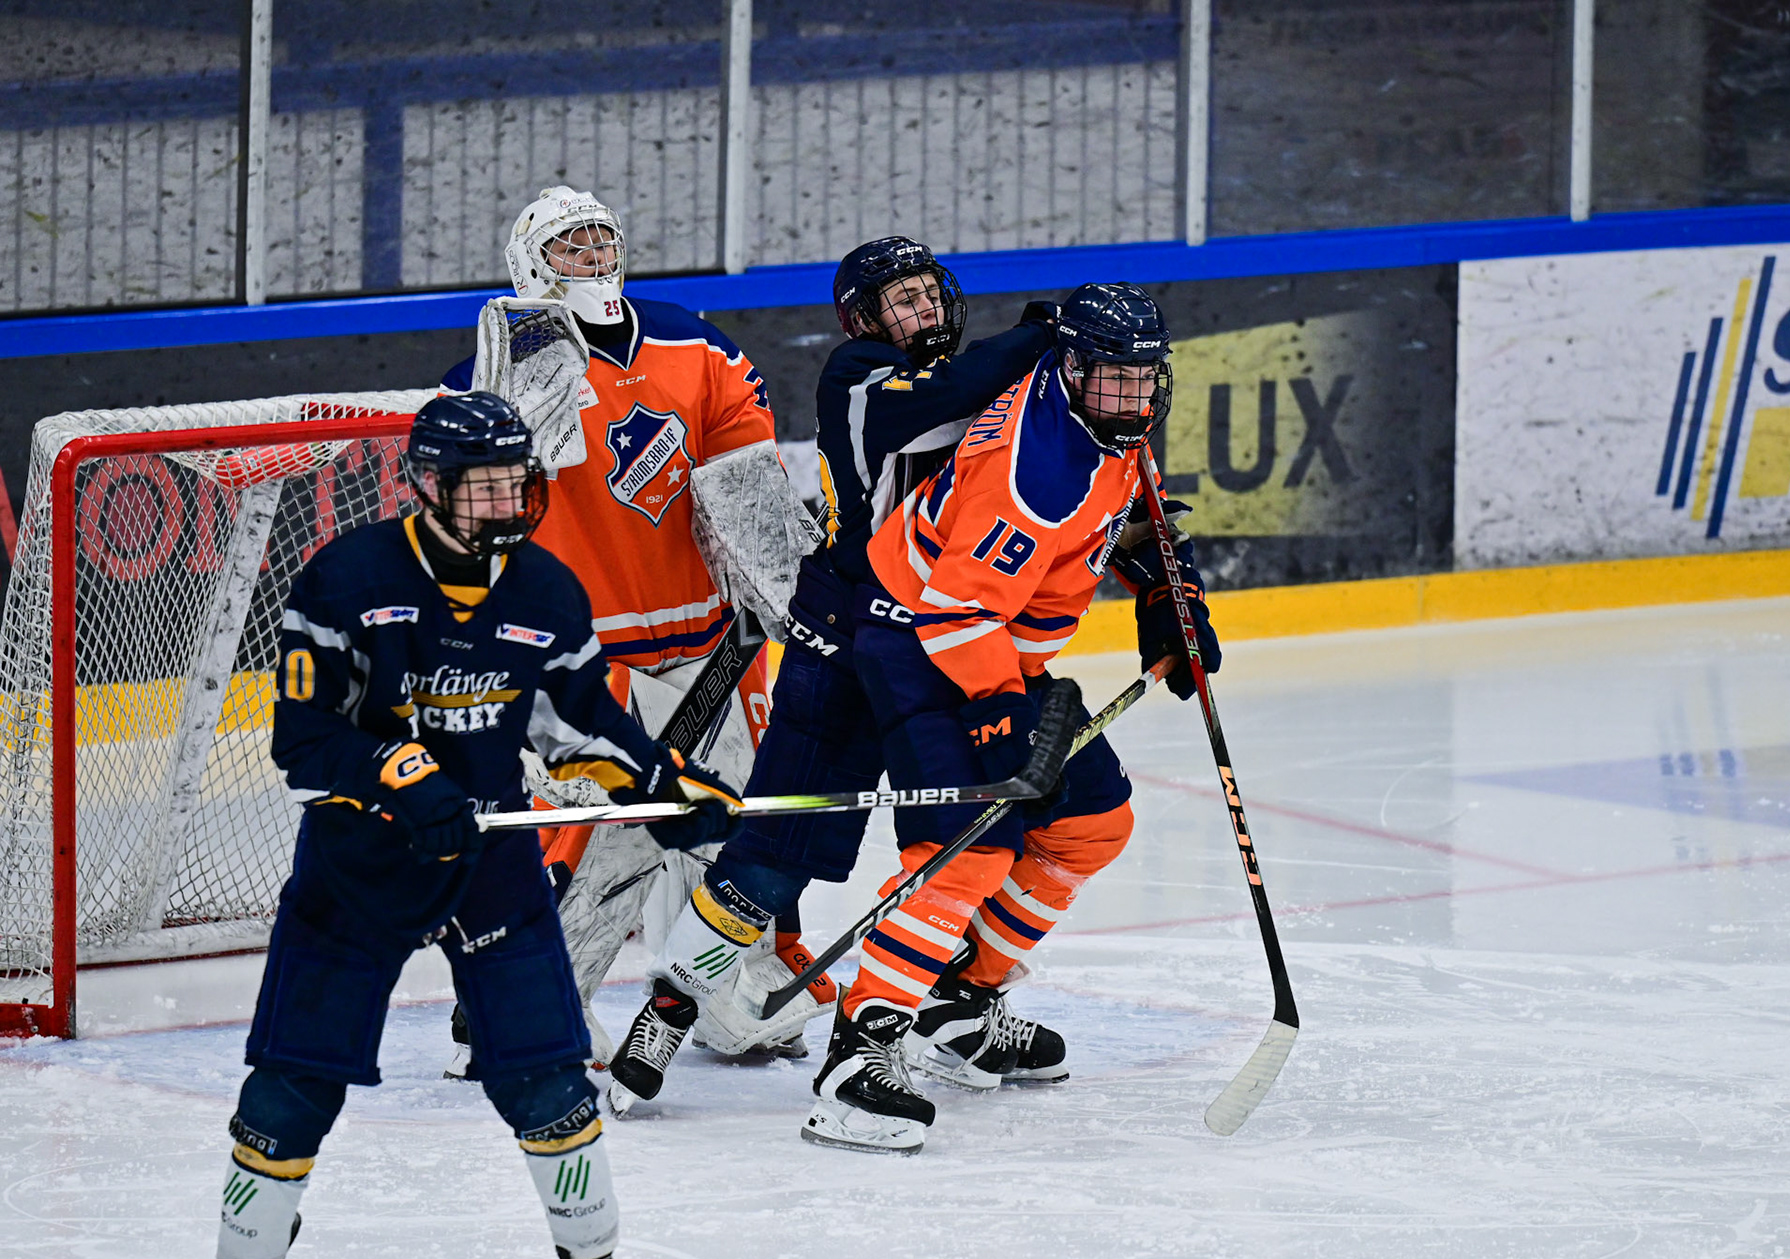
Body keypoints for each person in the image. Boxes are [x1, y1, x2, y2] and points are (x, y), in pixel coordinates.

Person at [210, 391, 742, 1259]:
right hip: (357, 864)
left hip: (491, 863)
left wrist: (663, 785)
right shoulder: (346, 580)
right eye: (480, 484)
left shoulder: (545, 590)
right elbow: (303, 743)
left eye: (513, 482)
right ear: (428, 483)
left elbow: (581, 726)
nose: (504, 501)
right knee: (293, 1086)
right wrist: (402, 774)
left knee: (548, 1081)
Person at [601, 236, 1065, 1102]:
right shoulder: (857, 376)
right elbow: (948, 394)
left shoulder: (990, 383)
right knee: (776, 854)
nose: (922, 310)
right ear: (863, 320)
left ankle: (957, 1011)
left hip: (938, 650)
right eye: (901, 300)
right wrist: (1043, 334)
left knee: (967, 845)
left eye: (928, 293)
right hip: (843, 640)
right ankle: (670, 1007)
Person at [802, 282, 1223, 1154]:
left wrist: (1167, 593)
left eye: (1143, 379)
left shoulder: (1102, 414)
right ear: (1071, 368)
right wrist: (1000, 721)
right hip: (921, 646)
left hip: (992, 647)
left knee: (1092, 822)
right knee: (968, 851)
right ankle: (856, 1060)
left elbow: (1131, 507)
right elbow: (955, 614)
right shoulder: (1031, 476)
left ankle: (957, 1009)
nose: (1131, 398)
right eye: (1113, 379)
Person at [438, 187, 821, 1090]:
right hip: (581, 654)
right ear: (530, 264)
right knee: (592, 838)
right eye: (568, 246)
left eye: (600, 239)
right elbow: (472, 520)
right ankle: (521, 1010)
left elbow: (748, 479)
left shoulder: (695, 343)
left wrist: (786, 596)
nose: (592, 256)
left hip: (711, 639)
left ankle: (723, 996)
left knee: (729, 826)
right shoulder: (486, 374)